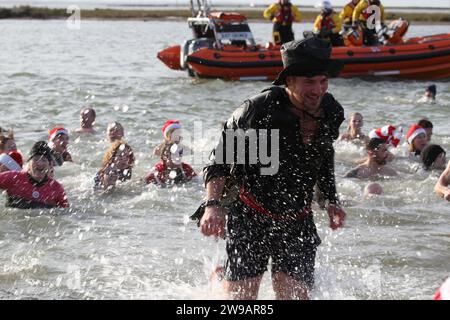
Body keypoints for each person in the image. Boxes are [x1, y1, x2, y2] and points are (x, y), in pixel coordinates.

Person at [199, 38, 346, 300]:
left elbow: (324, 155)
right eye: (309, 82)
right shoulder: (257, 111)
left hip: (297, 217)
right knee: (242, 300)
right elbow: (219, 161)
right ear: (288, 82)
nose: (318, 90)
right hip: (250, 213)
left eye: (323, 81)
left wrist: (330, 199)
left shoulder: (331, 111)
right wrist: (213, 205)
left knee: (294, 296)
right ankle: (222, 280)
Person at [0, 141, 69, 209]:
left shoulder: (56, 189)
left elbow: (66, 212)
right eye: (35, 159)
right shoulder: (13, 178)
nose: (39, 163)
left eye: (44, 160)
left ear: (50, 165)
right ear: (28, 164)